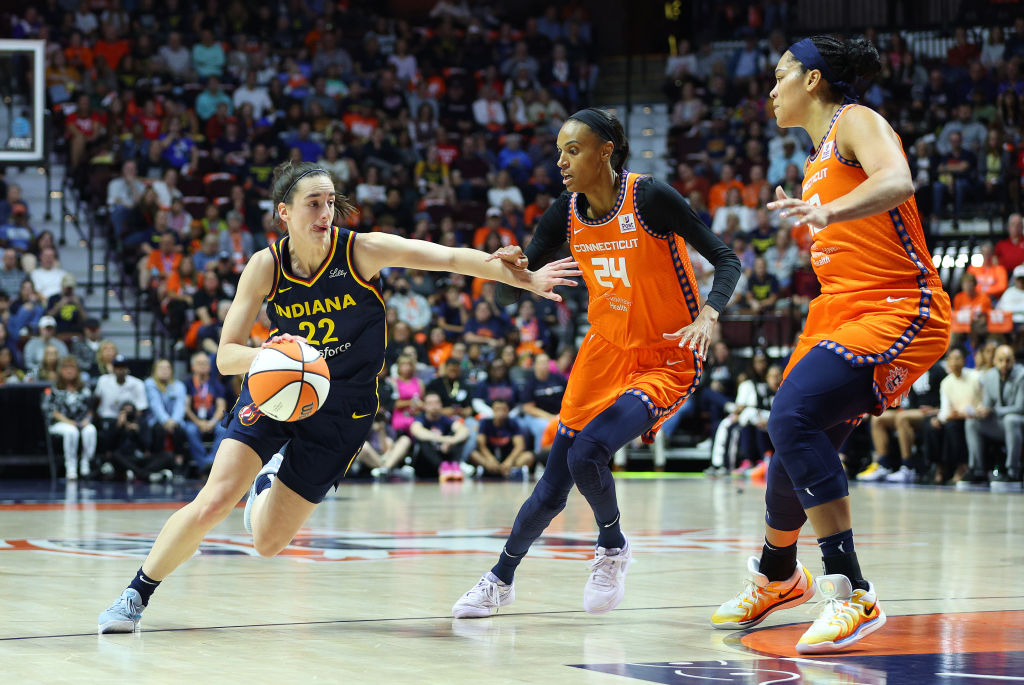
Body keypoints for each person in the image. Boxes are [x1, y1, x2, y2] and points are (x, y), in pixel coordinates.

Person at [98, 160, 580, 633]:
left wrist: (525, 278)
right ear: (284, 212)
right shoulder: (265, 266)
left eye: (330, 201)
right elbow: (226, 356)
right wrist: (273, 357)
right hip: (277, 389)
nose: (325, 211)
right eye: (313, 203)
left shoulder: (361, 251)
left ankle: (267, 483)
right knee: (214, 499)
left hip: (343, 409)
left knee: (267, 543)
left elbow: (450, 258)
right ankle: (136, 594)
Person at [709, 36, 951, 653]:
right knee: (792, 437)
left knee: (790, 416)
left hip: (900, 303)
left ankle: (852, 593)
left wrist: (831, 213)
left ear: (812, 80)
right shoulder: (816, 154)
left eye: (780, 75)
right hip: (839, 311)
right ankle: (779, 576)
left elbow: (898, 180)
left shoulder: (857, 121)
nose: (771, 87)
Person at [452, 107, 740, 618]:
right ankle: (500, 579)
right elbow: (511, 299)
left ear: (605, 151)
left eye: (573, 149)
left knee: (589, 454)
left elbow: (726, 258)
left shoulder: (649, 197)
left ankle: (612, 545)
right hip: (602, 354)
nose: (561, 161)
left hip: (666, 356)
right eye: (559, 151)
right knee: (551, 484)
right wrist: (510, 272)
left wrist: (709, 315)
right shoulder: (564, 212)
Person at [962, 344, 1024, 487]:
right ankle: (977, 470)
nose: (1004, 364)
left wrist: (993, 410)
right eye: (1000, 360)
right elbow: (988, 404)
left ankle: (1012, 471)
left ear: (1014, 360)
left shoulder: (1022, 376)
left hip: (1018, 422)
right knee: (972, 422)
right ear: (994, 361)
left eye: (1008, 360)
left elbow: (1020, 408)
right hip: (1000, 424)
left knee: (1011, 420)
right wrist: (981, 410)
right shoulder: (989, 376)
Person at [42, 356, 95, 480]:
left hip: (81, 422)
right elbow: (51, 411)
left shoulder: (84, 389)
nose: (69, 371)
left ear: (77, 371)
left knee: (91, 430)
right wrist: (69, 422)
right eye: (66, 368)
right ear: (60, 370)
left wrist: (87, 420)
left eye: (72, 368)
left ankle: (85, 463)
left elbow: (91, 409)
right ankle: (70, 466)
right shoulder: (54, 389)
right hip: (60, 423)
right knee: (72, 432)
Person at [470, 398, 535, 478]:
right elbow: (481, 445)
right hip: (490, 458)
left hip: (509, 459)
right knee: (473, 455)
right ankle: (495, 469)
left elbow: (519, 446)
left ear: (508, 410)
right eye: (497, 409)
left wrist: (509, 461)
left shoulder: (513, 423)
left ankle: (503, 470)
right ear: (492, 410)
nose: (500, 412)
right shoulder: (485, 422)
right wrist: (491, 459)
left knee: (528, 456)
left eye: (503, 409)